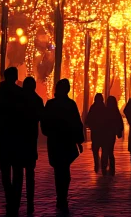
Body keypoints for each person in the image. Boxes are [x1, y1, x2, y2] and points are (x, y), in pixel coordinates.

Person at [41, 79, 84, 213]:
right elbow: (76, 123)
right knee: (64, 169)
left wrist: (48, 132)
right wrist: (79, 140)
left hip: (55, 141)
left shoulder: (51, 104)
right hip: (67, 140)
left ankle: (61, 196)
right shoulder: (70, 104)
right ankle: (62, 196)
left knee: (58, 170)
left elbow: (44, 122)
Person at [0, 67, 27, 216]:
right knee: (17, 170)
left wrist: (0, 125)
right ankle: (15, 199)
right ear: (15, 77)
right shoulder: (20, 94)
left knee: (5, 171)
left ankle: (9, 196)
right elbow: (26, 115)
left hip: (4, 136)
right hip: (18, 136)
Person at [22, 77, 44, 214]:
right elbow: (42, 118)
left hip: (18, 137)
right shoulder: (37, 100)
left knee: (17, 170)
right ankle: (30, 200)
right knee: (30, 171)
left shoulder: (18, 99)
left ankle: (15, 198)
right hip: (31, 138)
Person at [85, 94, 107, 173]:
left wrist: (91, 126)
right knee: (104, 149)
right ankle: (103, 164)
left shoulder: (93, 108)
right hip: (104, 132)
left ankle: (96, 163)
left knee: (95, 149)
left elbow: (88, 119)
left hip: (95, 132)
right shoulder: (104, 108)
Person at [102, 96, 123, 175]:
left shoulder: (104, 111)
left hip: (104, 133)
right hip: (111, 133)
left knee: (104, 150)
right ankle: (112, 168)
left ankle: (104, 166)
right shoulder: (115, 111)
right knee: (110, 151)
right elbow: (119, 122)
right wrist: (119, 132)